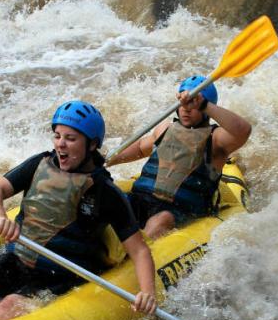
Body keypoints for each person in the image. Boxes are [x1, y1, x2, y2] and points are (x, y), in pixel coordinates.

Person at [0, 100, 157, 320]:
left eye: (71, 138)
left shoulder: (105, 192)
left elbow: (139, 250)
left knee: (8, 307)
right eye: (57, 136)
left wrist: (147, 292)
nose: (60, 144)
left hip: (60, 275)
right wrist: (0, 218)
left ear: (92, 144)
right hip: (18, 259)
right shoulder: (39, 164)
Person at [107, 75, 252, 239]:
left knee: (162, 219)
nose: (187, 108)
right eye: (184, 103)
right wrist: (108, 160)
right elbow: (141, 148)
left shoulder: (216, 139)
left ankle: (135, 257)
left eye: (194, 104)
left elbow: (243, 130)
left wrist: (204, 104)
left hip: (179, 211)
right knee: (109, 202)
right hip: (141, 199)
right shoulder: (165, 129)